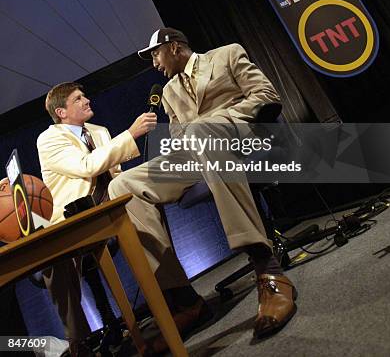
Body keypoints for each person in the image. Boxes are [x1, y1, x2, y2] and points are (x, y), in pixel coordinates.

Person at [108, 27, 298, 351]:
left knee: (202, 130)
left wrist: (217, 120)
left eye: (155, 54)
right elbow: (182, 136)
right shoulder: (168, 91)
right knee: (122, 184)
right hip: (197, 151)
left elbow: (266, 96)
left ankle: (268, 270)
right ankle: (185, 301)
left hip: (242, 139)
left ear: (174, 47)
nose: (154, 63)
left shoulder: (227, 55)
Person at [37, 82, 157, 356]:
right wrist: (130, 134)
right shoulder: (49, 139)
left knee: (145, 207)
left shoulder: (99, 132)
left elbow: (114, 173)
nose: (87, 100)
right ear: (61, 112)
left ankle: (172, 298)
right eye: (78, 99)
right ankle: (78, 341)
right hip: (73, 217)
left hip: (111, 204)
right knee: (55, 259)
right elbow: (86, 166)